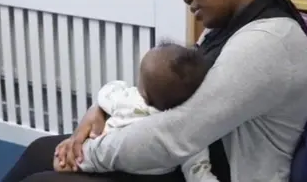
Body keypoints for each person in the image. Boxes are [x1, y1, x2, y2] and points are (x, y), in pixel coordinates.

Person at [2, 0, 307, 182]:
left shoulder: (267, 43)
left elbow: (174, 135)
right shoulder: (228, 30)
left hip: (206, 172)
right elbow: (168, 104)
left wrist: (86, 153)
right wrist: (100, 110)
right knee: (39, 150)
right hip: (184, 163)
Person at [55, 42, 218, 182]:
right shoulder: (189, 129)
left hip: (109, 161)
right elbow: (198, 169)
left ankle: (66, 162)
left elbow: (107, 93)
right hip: (156, 175)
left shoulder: (128, 101)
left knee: (61, 160)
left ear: (144, 94)